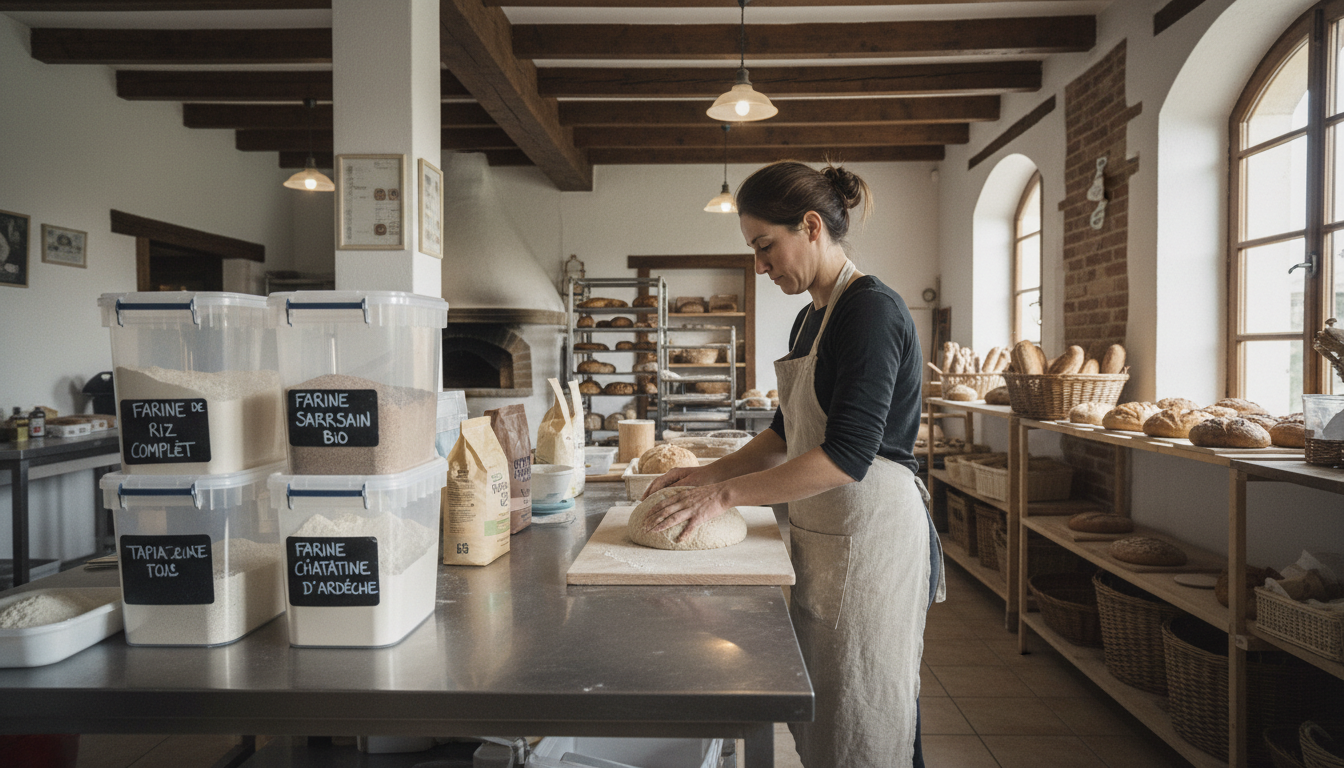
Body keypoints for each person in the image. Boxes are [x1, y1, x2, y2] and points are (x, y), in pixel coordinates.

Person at [640, 160, 944, 767]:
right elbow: (785, 434)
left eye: (764, 246)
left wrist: (723, 499)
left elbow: (848, 455)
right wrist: (707, 474)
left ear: (810, 226)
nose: (759, 264)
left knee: (869, 713)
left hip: (873, 531)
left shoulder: (870, 311)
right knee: (830, 706)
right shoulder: (812, 316)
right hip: (828, 533)